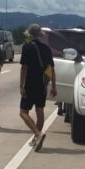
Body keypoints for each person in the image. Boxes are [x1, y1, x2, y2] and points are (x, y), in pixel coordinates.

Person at [19, 23, 57, 151]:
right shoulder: (46, 48)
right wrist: (54, 86)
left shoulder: (27, 47)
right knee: (39, 111)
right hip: (42, 85)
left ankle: (38, 134)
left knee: (23, 112)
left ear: (29, 34)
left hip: (30, 83)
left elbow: (24, 68)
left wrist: (21, 85)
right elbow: (51, 69)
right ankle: (36, 139)